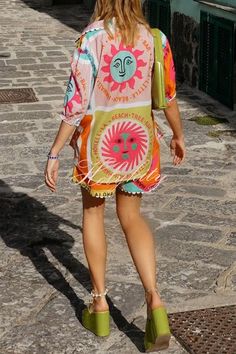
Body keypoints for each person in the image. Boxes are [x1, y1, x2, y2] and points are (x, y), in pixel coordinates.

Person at [45, 0, 185, 351]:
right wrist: (178, 135)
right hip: (139, 142)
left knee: (93, 214)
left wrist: (55, 151)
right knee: (131, 217)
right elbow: (167, 97)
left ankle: (100, 304)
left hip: (100, 148)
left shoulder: (90, 39)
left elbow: (75, 105)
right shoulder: (155, 38)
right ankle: (155, 302)